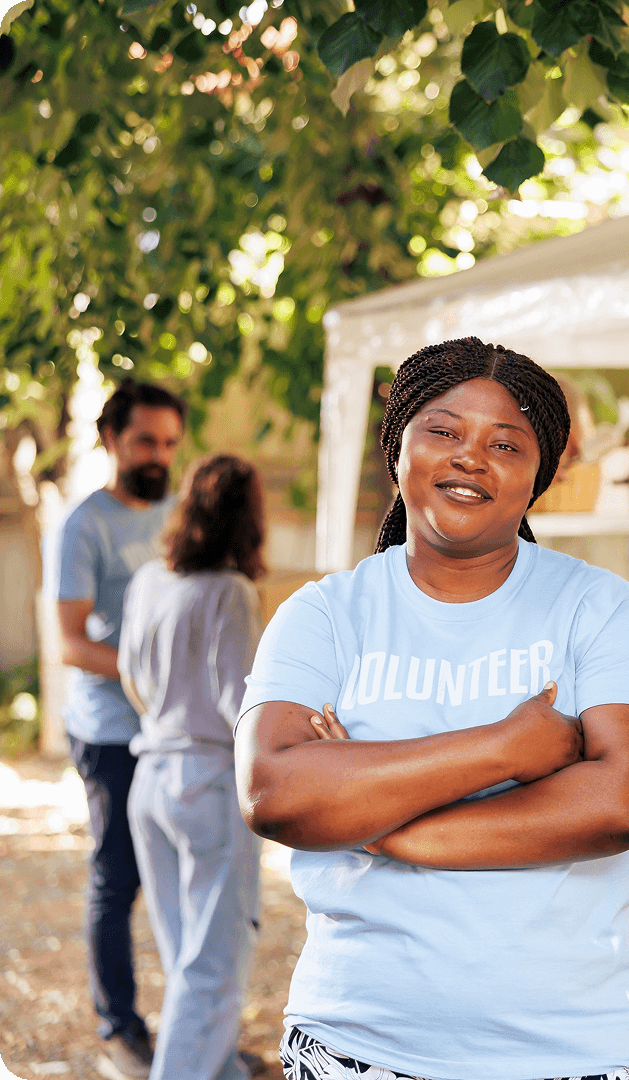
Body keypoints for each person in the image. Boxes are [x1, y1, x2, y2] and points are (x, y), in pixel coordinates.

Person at [234, 337, 629, 1080]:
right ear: (398, 444)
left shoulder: (602, 611)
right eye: (443, 431)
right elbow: (275, 792)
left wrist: (384, 826)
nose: (470, 457)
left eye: (505, 443)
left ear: (541, 471)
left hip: (570, 1052)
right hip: (356, 1045)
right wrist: (505, 748)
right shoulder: (326, 615)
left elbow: (627, 800)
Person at [51, 378, 186, 1080]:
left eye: (168, 442)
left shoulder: (180, 515)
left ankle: (191, 1038)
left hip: (178, 731)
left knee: (183, 880)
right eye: (144, 441)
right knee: (119, 879)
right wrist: (152, 679)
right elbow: (72, 643)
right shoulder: (84, 525)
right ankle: (119, 1030)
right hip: (110, 733)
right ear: (111, 440)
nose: (158, 454)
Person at [118, 455, 267, 1080]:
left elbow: (130, 677)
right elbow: (241, 703)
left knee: (187, 957)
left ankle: (222, 1069)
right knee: (212, 965)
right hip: (206, 783)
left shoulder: (150, 579)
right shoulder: (230, 591)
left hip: (150, 776)